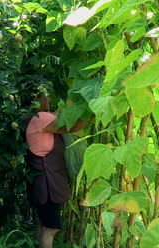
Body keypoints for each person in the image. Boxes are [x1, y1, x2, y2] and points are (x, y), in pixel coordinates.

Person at [24, 92, 92, 248]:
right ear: (34, 99)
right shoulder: (40, 118)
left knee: (44, 224)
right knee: (51, 228)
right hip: (48, 184)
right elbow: (72, 125)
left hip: (41, 183)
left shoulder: (32, 118)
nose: (48, 99)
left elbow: (59, 117)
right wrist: (93, 111)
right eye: (44, 96)